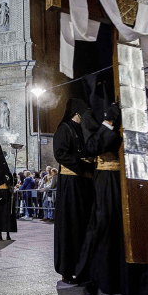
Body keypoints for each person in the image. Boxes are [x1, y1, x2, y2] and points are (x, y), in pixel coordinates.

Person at [78, 102, 148, 295]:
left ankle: (139, 294)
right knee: (107, 232)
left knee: (139, 232)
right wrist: (109, 122)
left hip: (135, 177)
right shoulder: (93, 113)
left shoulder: (133, 105)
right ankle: (95, 281)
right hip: (108, 180)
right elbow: (92, 147)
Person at [52, 98, 95, 284]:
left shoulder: (84, 130)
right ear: (77, 114)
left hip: (85, 184)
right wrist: (83, 166)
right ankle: (67, 270)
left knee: (84, 225)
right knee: (71, 225)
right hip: (70, 183)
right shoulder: (64, 129)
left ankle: (84, 267)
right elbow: (60, 154)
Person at [0, 139, 17, 241]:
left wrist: (14, 178)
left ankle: (8, 233)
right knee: (0, 216)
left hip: (7, 196)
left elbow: (11, 183)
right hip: (0, 197)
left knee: (7, 215)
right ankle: (0, 234)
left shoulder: (8, 173)